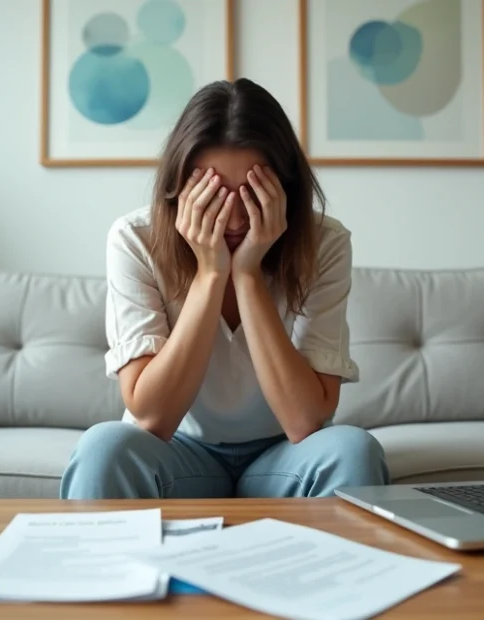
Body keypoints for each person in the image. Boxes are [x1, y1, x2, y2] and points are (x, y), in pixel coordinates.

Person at [60, 78, 389, 500]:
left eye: (252, 195)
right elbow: (152, 418)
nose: (233, 221)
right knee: (102, 448)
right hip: (176, 450)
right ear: (180, 189)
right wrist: (210, 275)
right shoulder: (135, 239)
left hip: (284, 455)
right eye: (213, 196)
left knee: (354, 450)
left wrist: (247, 275)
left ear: (284, 189)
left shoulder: (324, 243)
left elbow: (305, 421)